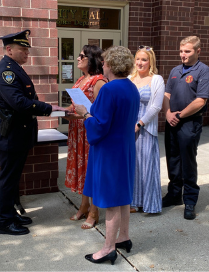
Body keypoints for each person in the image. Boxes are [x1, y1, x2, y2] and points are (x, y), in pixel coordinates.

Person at [0, 30, 66, 235]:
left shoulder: (14, 68)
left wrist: (48, 107)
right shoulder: (6, 72)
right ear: (9, 49)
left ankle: (10, 213)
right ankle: (4, 221)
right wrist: (49, 108)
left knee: (13, 178)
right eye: (22, 49)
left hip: (18, 134)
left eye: (27, 49)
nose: (27, 53)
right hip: (11, 135)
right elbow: (20, 103)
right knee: (7, 179)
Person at [74, 46, 140, 265]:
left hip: (110, 151)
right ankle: (124, 237)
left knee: (112, 200)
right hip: (125, 148)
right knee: (122, 196)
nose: (102, 64)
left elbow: (99, 126)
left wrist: (85, 114)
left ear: (111, 64)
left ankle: (108, 248)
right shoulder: (131, 87)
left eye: (104, 62)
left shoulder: (110, 90)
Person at [162, 36, 209, 220]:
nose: (183, 55)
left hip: (190, 123)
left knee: (188, 162)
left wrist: (179, 115)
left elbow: (201, 100)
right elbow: (166, 94)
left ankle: (190, 199)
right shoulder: (175, 70)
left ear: (198, 51)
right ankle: (174, 194)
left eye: (187, 51)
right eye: (181, 51)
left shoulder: (204, 71)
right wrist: (168, 114)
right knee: (173, 159)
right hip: (172, 121)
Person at [64, 45, 107, 229]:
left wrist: (81, 115)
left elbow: (100, 111)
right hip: (77, 132)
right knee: (82, 172)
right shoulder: (81, 79)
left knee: (92, 171)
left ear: (92, 59)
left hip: (89, 132)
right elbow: (77, 105)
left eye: (82, 56)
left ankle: (94, 212)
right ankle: (83, 205)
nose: (78, 58)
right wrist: (65, 111)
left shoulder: (99, 81)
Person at [128, 45, 165, 214]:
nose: (140, 63)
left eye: (144, 59)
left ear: (151, 62)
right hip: (128, 128)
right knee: (132, 165)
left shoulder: (156, 79)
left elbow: (156, 107)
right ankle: (134, 202)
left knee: (146, 167)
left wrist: (139, 124)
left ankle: (149, 203)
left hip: (145, 129)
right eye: (138, 59)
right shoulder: (129, 78)